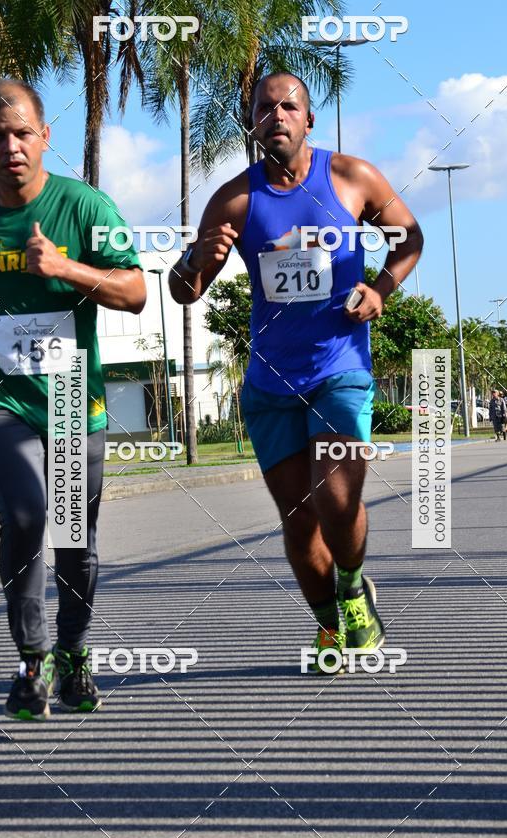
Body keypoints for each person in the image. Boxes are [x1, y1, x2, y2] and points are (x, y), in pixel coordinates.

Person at [169, 71, 423, 672]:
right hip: (270, 384)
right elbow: (185, 291)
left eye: (289, 107)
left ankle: (353, 585)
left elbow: (410, 237)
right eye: (265, 107)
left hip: (340, 370)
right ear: (251, 122)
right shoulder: (234, 200)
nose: (276, 115)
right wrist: (193, 259)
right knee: (299, 519)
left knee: (335, 497)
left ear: (309, 119)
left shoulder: (352, 178)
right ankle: (330, 625)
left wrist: (382, 288)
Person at [0, 79, 146, 720]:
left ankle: (72, 652)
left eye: (22, 133)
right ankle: (30, 659)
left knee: (74, 539)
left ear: (44, 136)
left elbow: (135, 292)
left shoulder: (84, 206)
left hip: (71, 397)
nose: (10, 146)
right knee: (24, 516)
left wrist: (65, 268)